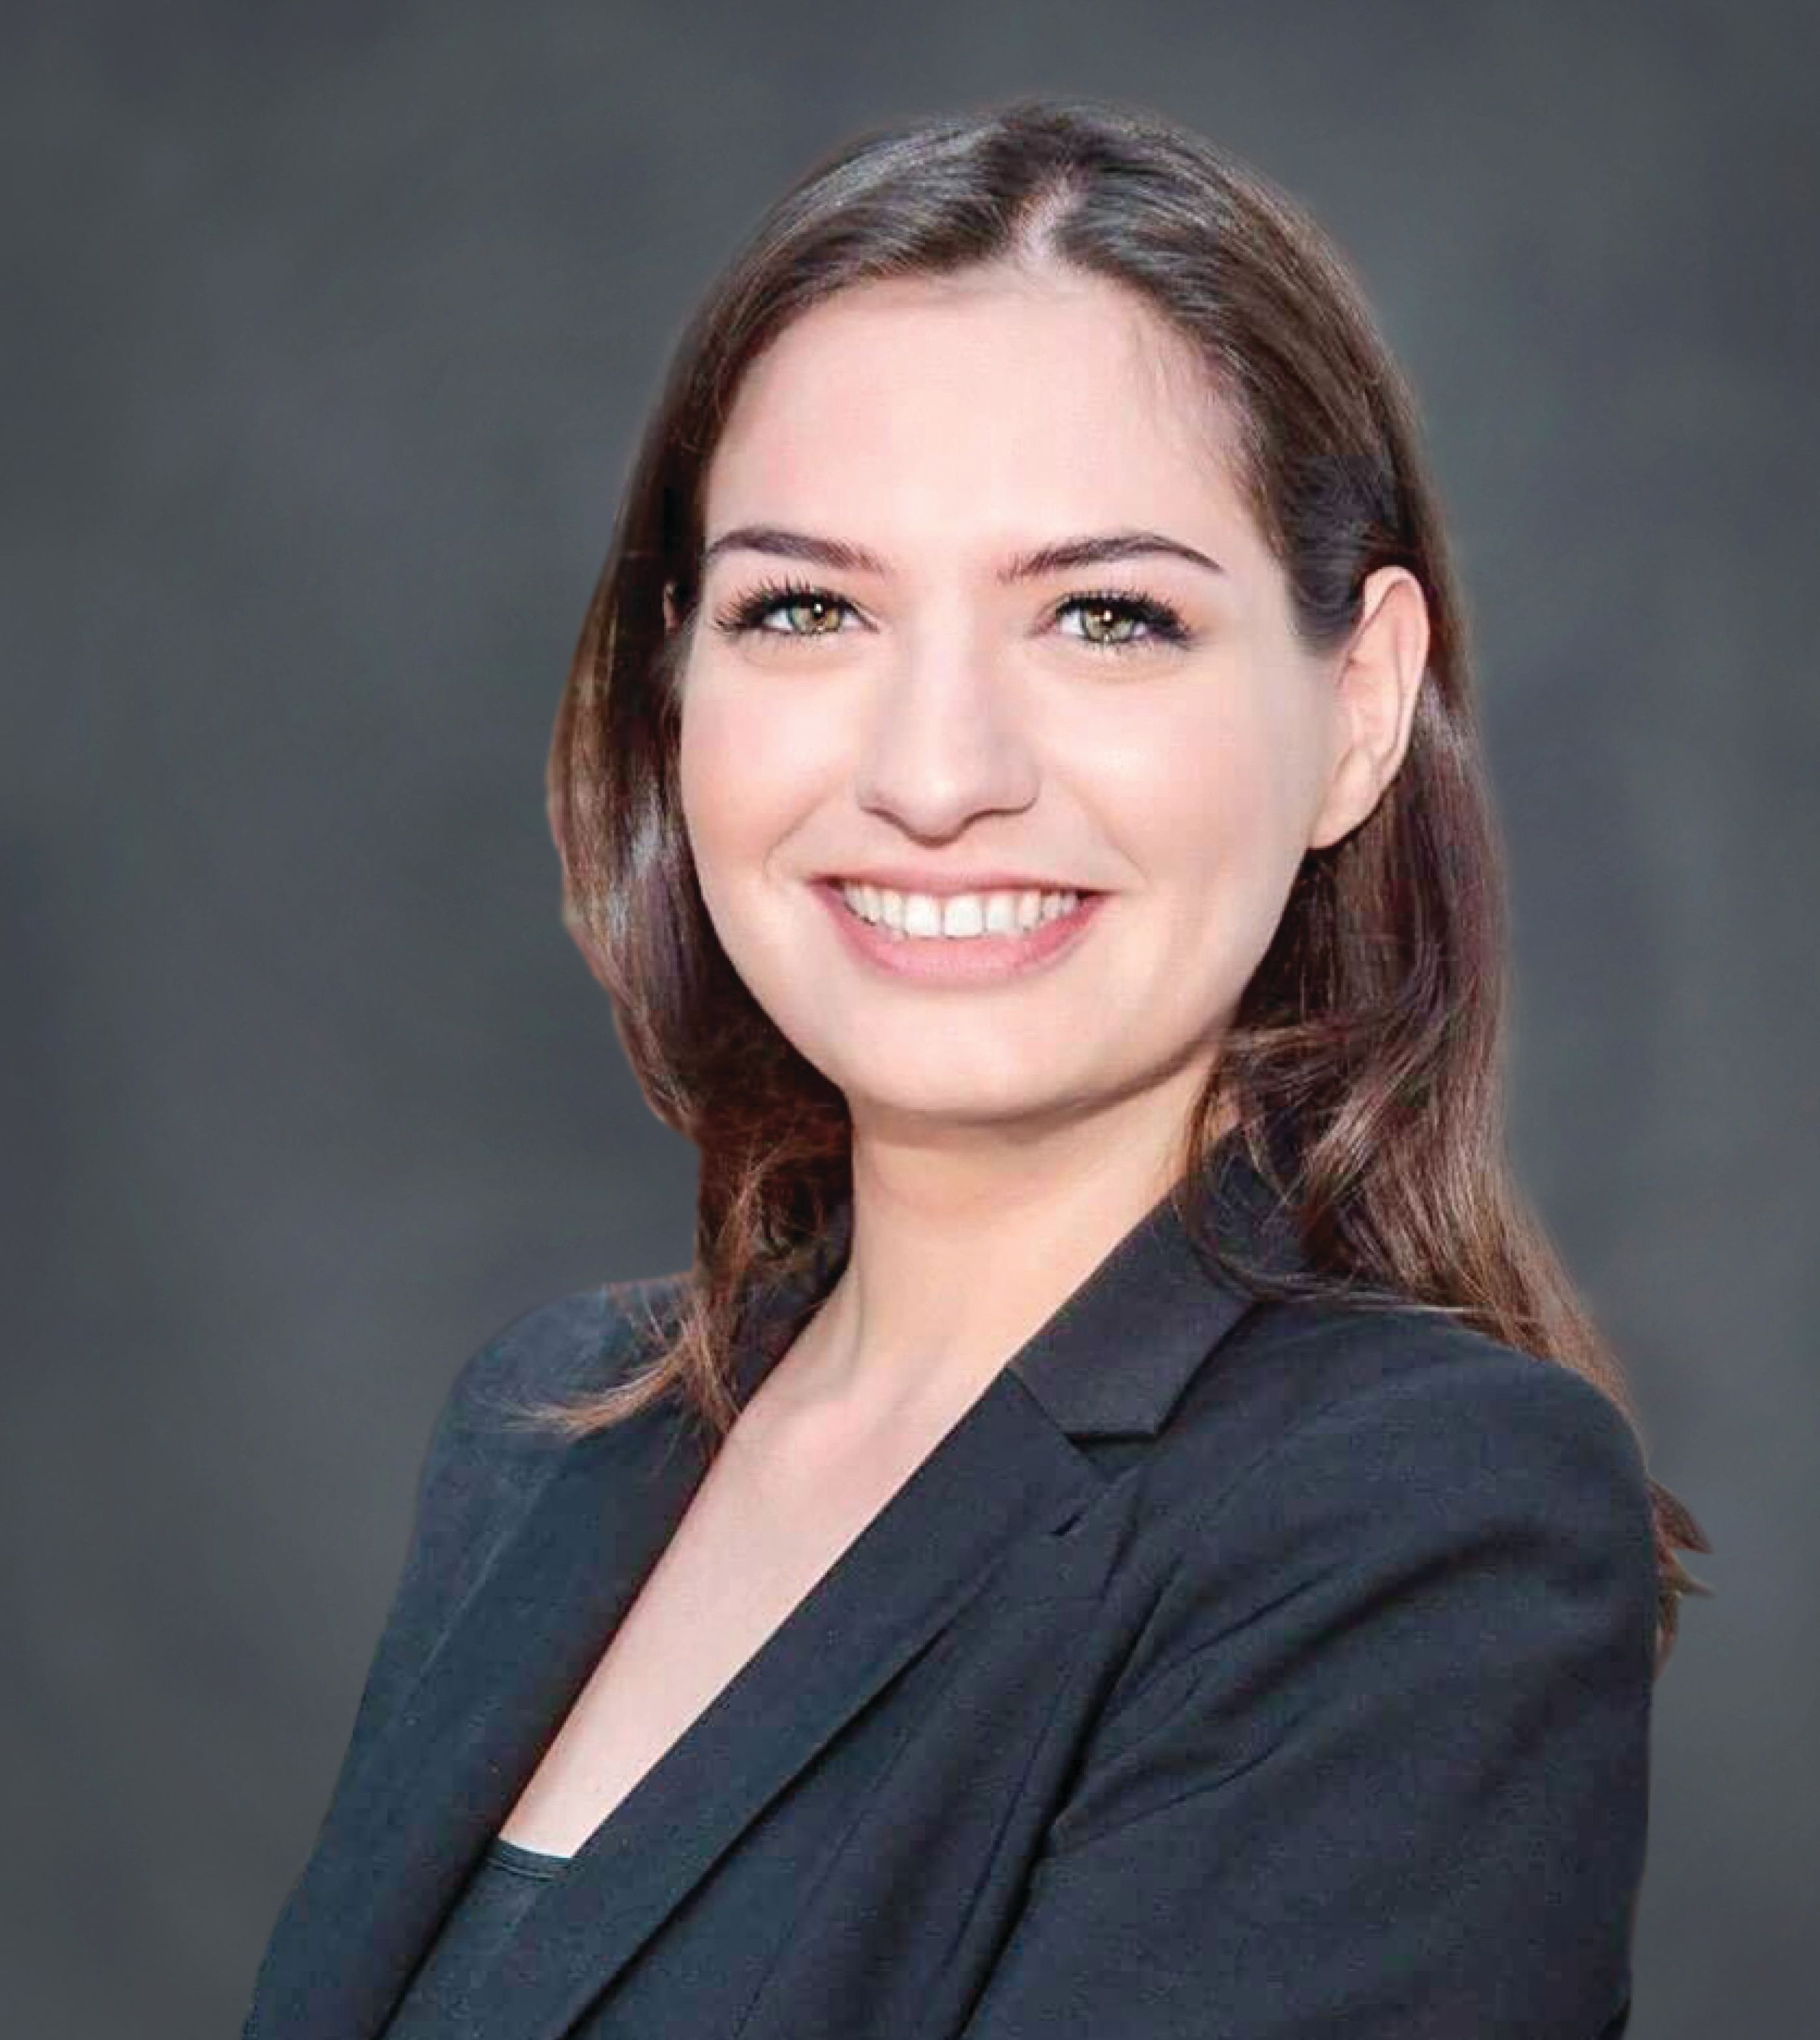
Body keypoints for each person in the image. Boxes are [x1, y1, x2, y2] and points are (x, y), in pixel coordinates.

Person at [242, 93, 1710, 2039]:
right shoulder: (550, 1437)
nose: (936, 774)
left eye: (1108, 617)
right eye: (809, 608)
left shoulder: (1417, 1526)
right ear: (681, 687)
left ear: (1357, 706)